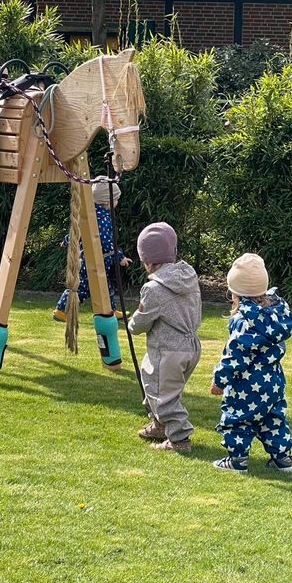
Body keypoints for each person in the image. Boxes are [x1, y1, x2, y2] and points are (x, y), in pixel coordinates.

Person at [210, 253, 292, 474]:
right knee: (273, 417)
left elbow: (235, 356)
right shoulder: (275, 313)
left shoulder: (244, 320)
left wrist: (219, 380)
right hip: (273, 381)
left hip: (245, 384)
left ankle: (237, 459)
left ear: (234, 292)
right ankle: (283, 458)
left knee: (238, 417)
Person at [128, 222, 202, 453]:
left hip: (168, 350)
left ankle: (179, 439)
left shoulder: (154, 289)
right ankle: (159, 424)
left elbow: (141, 321)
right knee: (157, 385)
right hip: (191, 347)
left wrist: (131, 323)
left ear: (147, 261)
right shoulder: (188, 277)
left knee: (163, 395)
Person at [53, 180, 131, 322]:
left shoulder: (88, 213)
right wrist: (120, 257)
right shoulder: (103, 218)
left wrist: (67, 240)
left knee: (104, 287)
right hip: (96, 259)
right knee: (82, 287)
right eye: (116, 199)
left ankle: (109, 311)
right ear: (107, 201)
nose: (118, 202)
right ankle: (62, 310)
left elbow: (77, 231)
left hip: (90, 257)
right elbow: (107, 242)